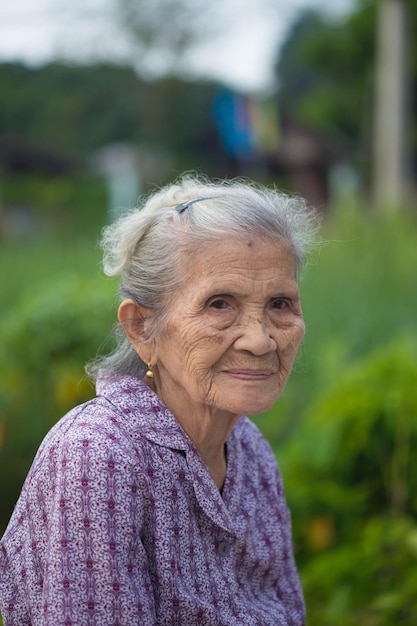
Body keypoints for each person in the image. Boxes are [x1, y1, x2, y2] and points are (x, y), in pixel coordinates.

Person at [0, 174, 319, 625]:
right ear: (141, 328)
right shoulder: (98, 456)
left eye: (280, 304)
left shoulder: (249, 451)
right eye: (219, 304)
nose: (260, 340)